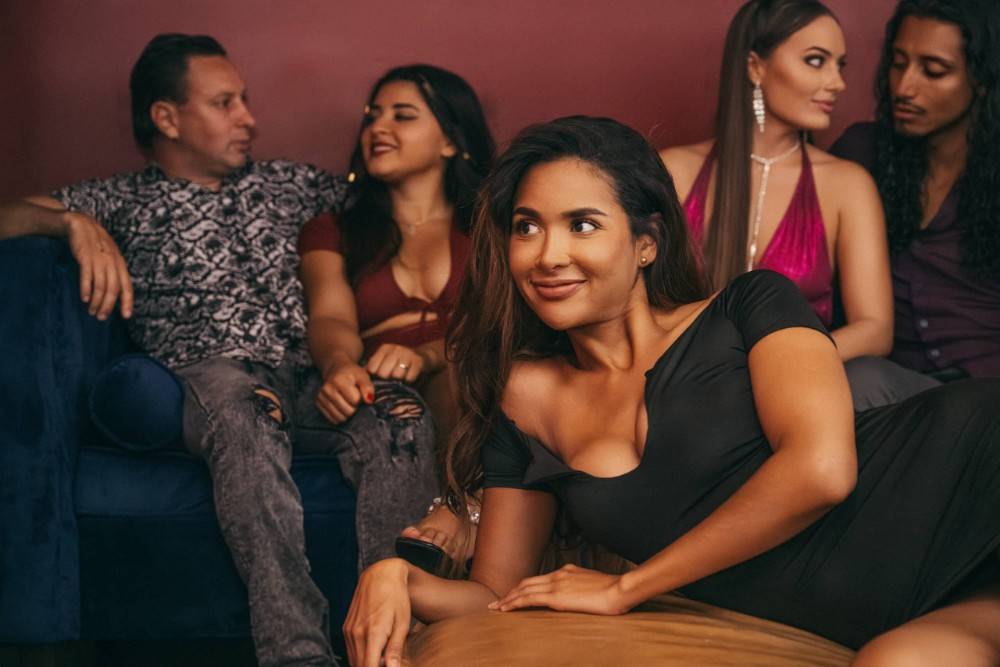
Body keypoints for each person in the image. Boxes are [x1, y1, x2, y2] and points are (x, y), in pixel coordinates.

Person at [343, 116, 1000, 667]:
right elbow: (499, 591)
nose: (547, 255)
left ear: (647, 244)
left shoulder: (751, 306)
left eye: (582, 224)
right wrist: (395, 576)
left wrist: (626, 587)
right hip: (935, 600)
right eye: (527, 226)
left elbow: (821, 470)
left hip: (974, 480)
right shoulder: (523, 402)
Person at [0, 34, 433, 667]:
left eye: (245, 100)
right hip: (217, 377)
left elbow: (391, 202)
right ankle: (298, 655)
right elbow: (7, 215)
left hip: (312, 374)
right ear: (167, 117)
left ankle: (404, 639)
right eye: (225, 103)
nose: (249, 119)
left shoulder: (291, 185)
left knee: (402, 416)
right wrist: (68, 222)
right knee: (247, 418)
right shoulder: (120, 199)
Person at [660, 0, 938, 410]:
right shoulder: (673, 172)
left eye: (840, 66)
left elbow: (874, 329)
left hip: (799, 388)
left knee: (869, 382)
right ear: (755, 66)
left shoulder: (846, 184)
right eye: (816, 61)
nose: (837, 83)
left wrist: (776, 363)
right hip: (689, 392)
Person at [298, 64, 494, 566]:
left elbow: (508, 318)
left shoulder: (492, 220)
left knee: (465, 374)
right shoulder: (332, 229)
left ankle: (462, 513)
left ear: (450, 141)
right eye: (372, 116)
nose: (377, 128)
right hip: (389, 384)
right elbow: (330, 317)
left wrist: (430, 353)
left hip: (478, 368)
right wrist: (340, 365)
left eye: (402, 116)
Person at [831, 0, 1000, 382]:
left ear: (983, 79)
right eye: (898, 63)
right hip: (893, 389)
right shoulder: (860, 155)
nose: (904, 87)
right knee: (859, 379)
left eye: (933, 71)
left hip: (987, 391)